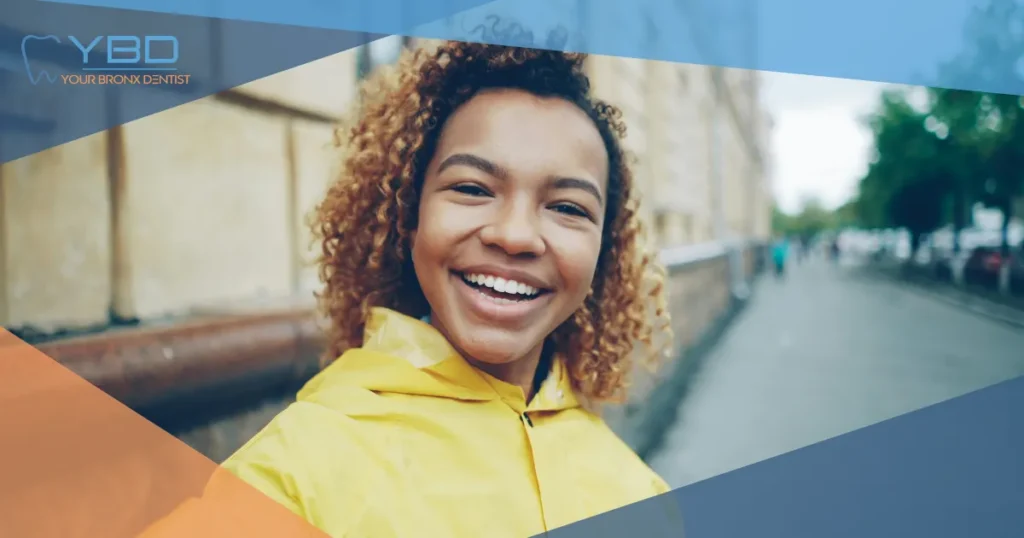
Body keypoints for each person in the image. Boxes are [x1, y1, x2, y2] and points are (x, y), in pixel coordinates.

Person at [143, 39, 677, 537]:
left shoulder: (639, 489)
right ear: (408, 218)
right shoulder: (297, 474)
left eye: (567, 207)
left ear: (603, 251)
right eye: (472, 188)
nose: (515, 236)